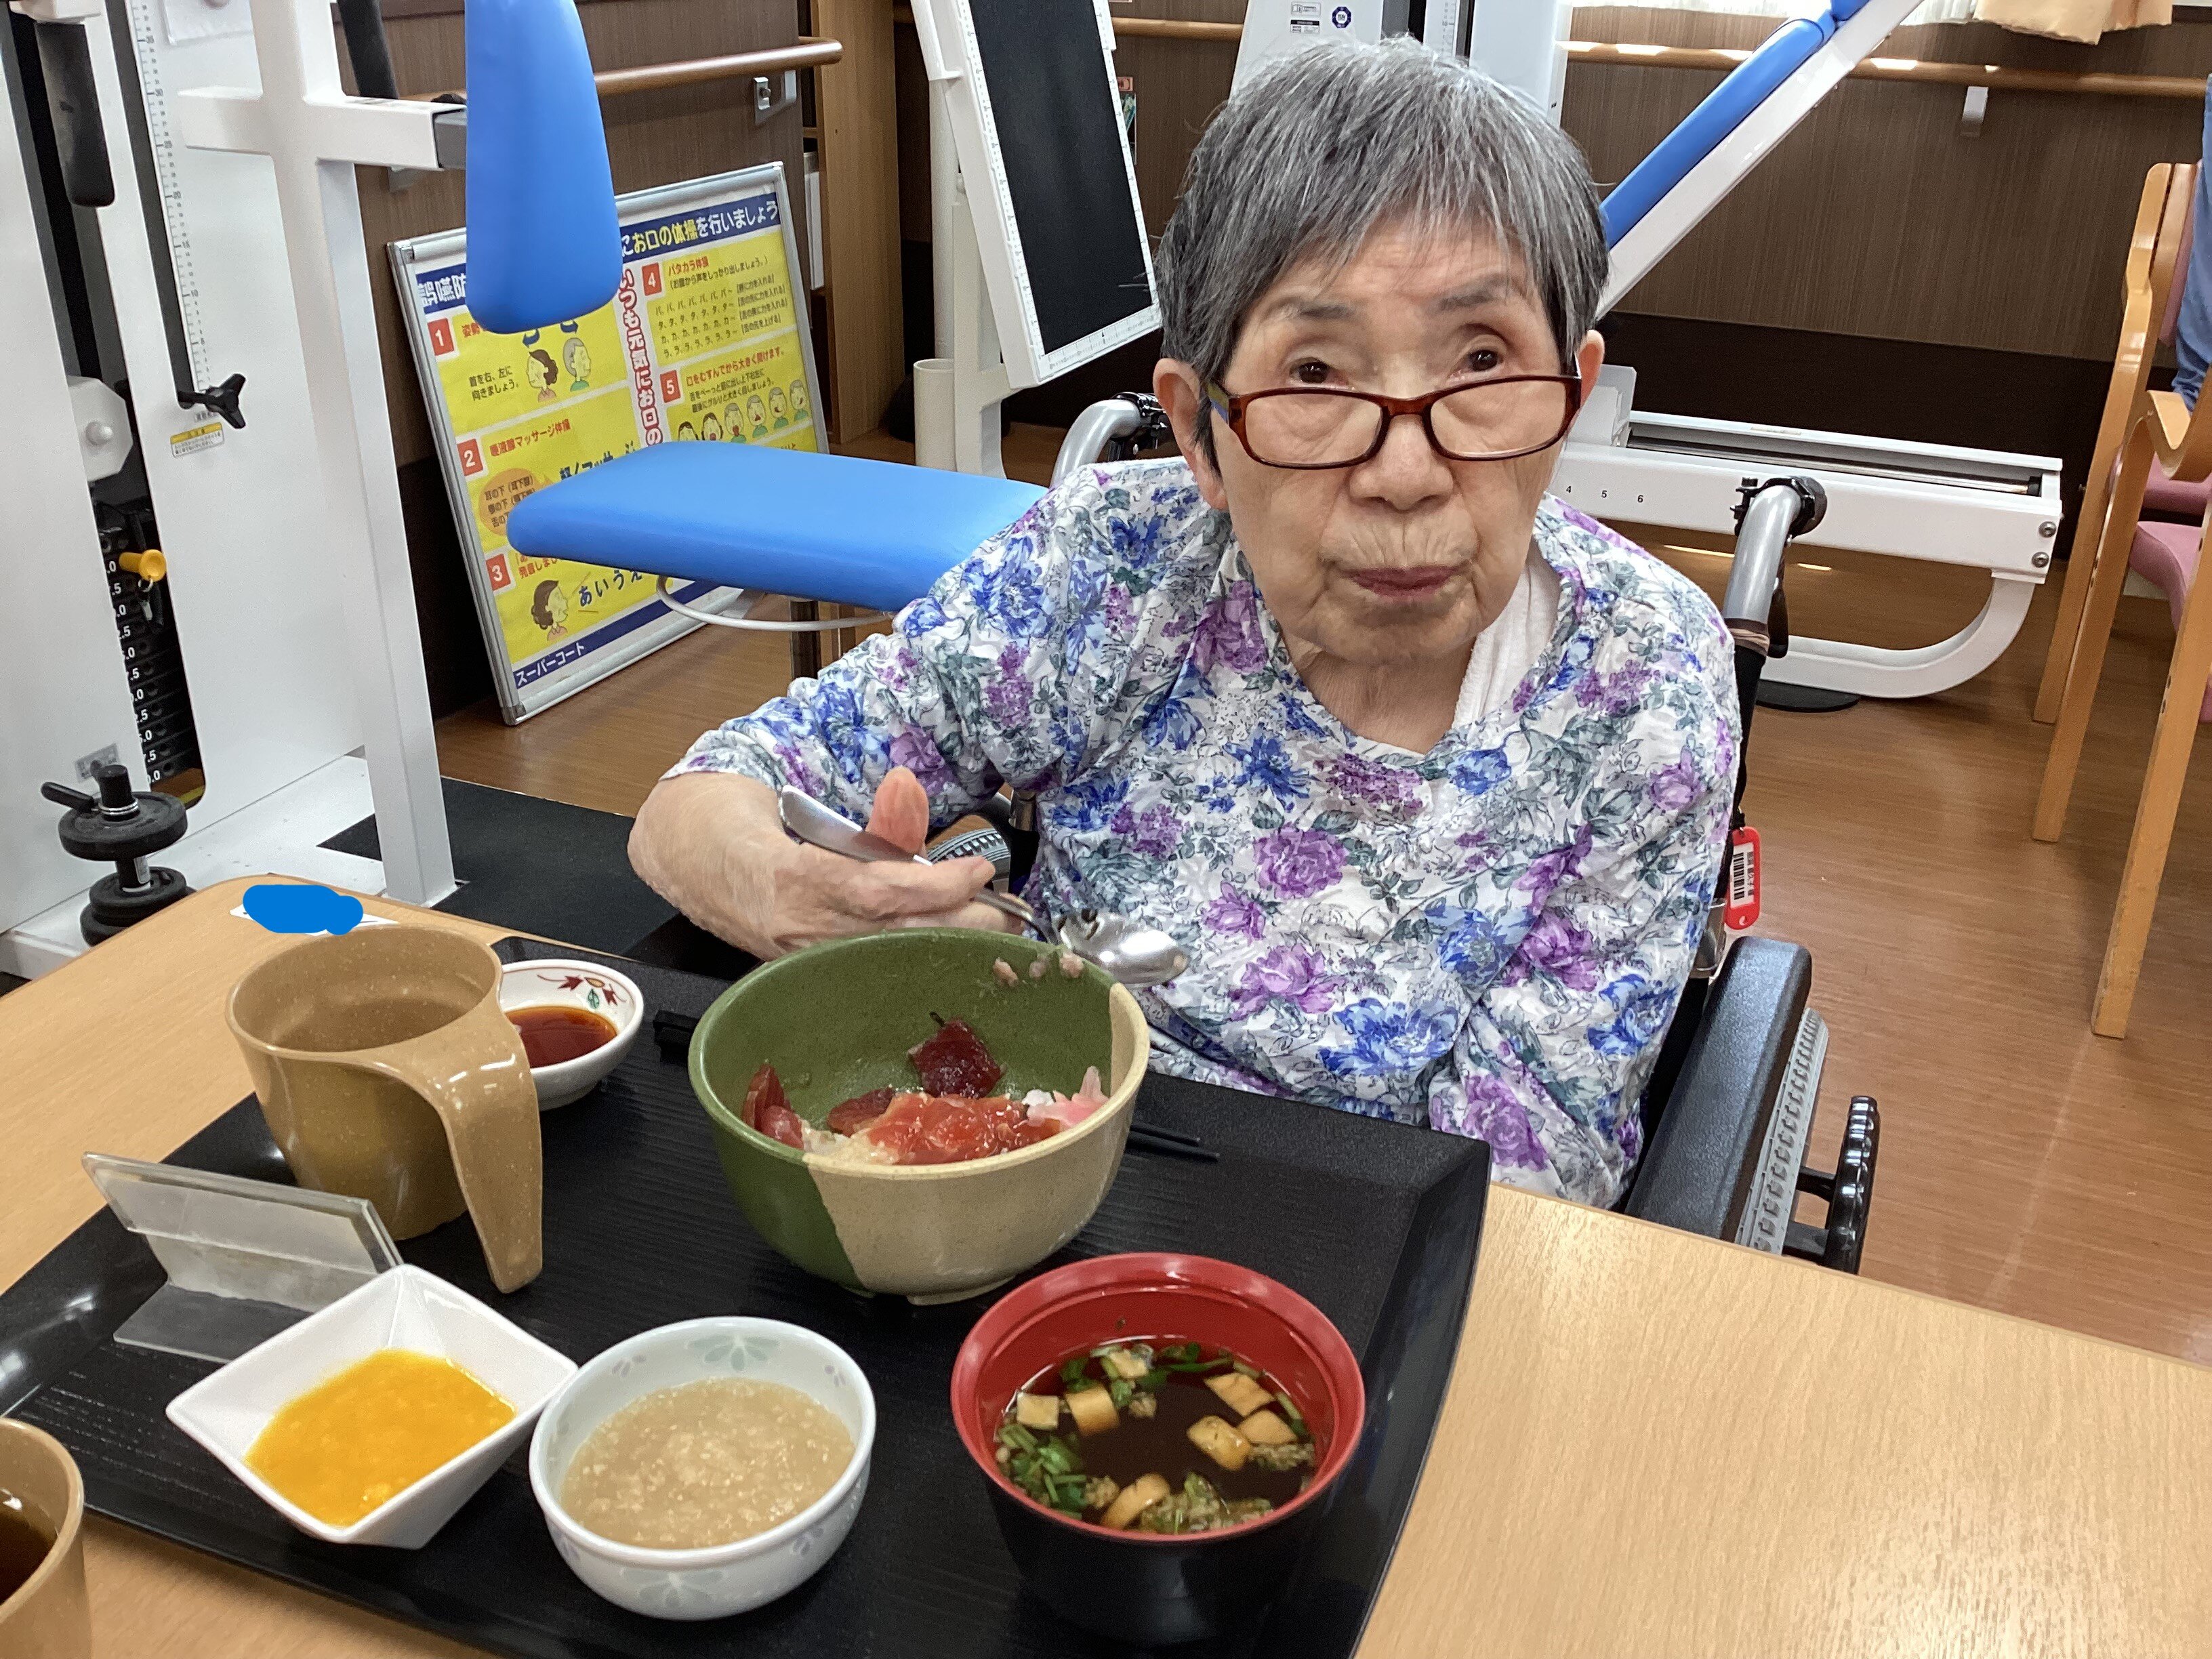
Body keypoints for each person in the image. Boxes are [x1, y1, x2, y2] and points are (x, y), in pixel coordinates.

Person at [629, 40, 1738, 1206]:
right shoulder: (1112, 566)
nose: (1407, 474)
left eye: (1482, 360)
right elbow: (695, 805)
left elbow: (1518, 1185)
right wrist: (788, 894)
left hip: (1364, 1234)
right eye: (1317, 374)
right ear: (1200, 431)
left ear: (1571, 395)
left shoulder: (1643, 684)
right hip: (1043, 1165)